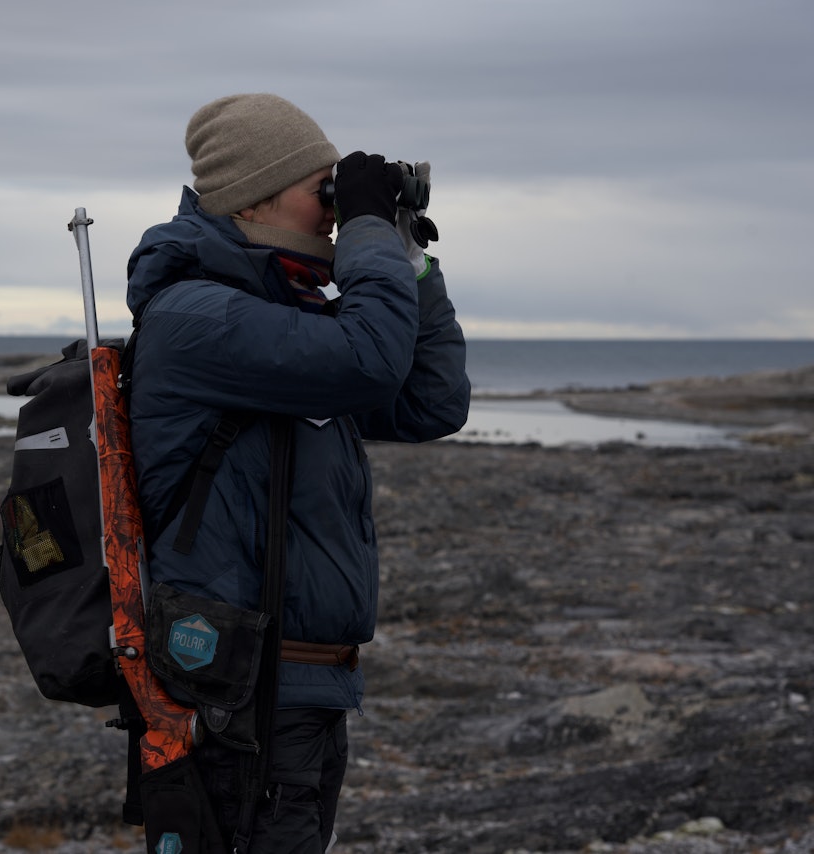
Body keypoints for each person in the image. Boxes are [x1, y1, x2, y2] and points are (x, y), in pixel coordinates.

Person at [126, 93, 470, 852]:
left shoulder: (286, 325)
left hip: (306, 688)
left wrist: (407, 256)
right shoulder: (199, 319)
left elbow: (430, 402)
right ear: (253, 198)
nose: (335, 212)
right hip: (241, 693)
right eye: (324, 191)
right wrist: (372, 233)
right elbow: (371, 359)